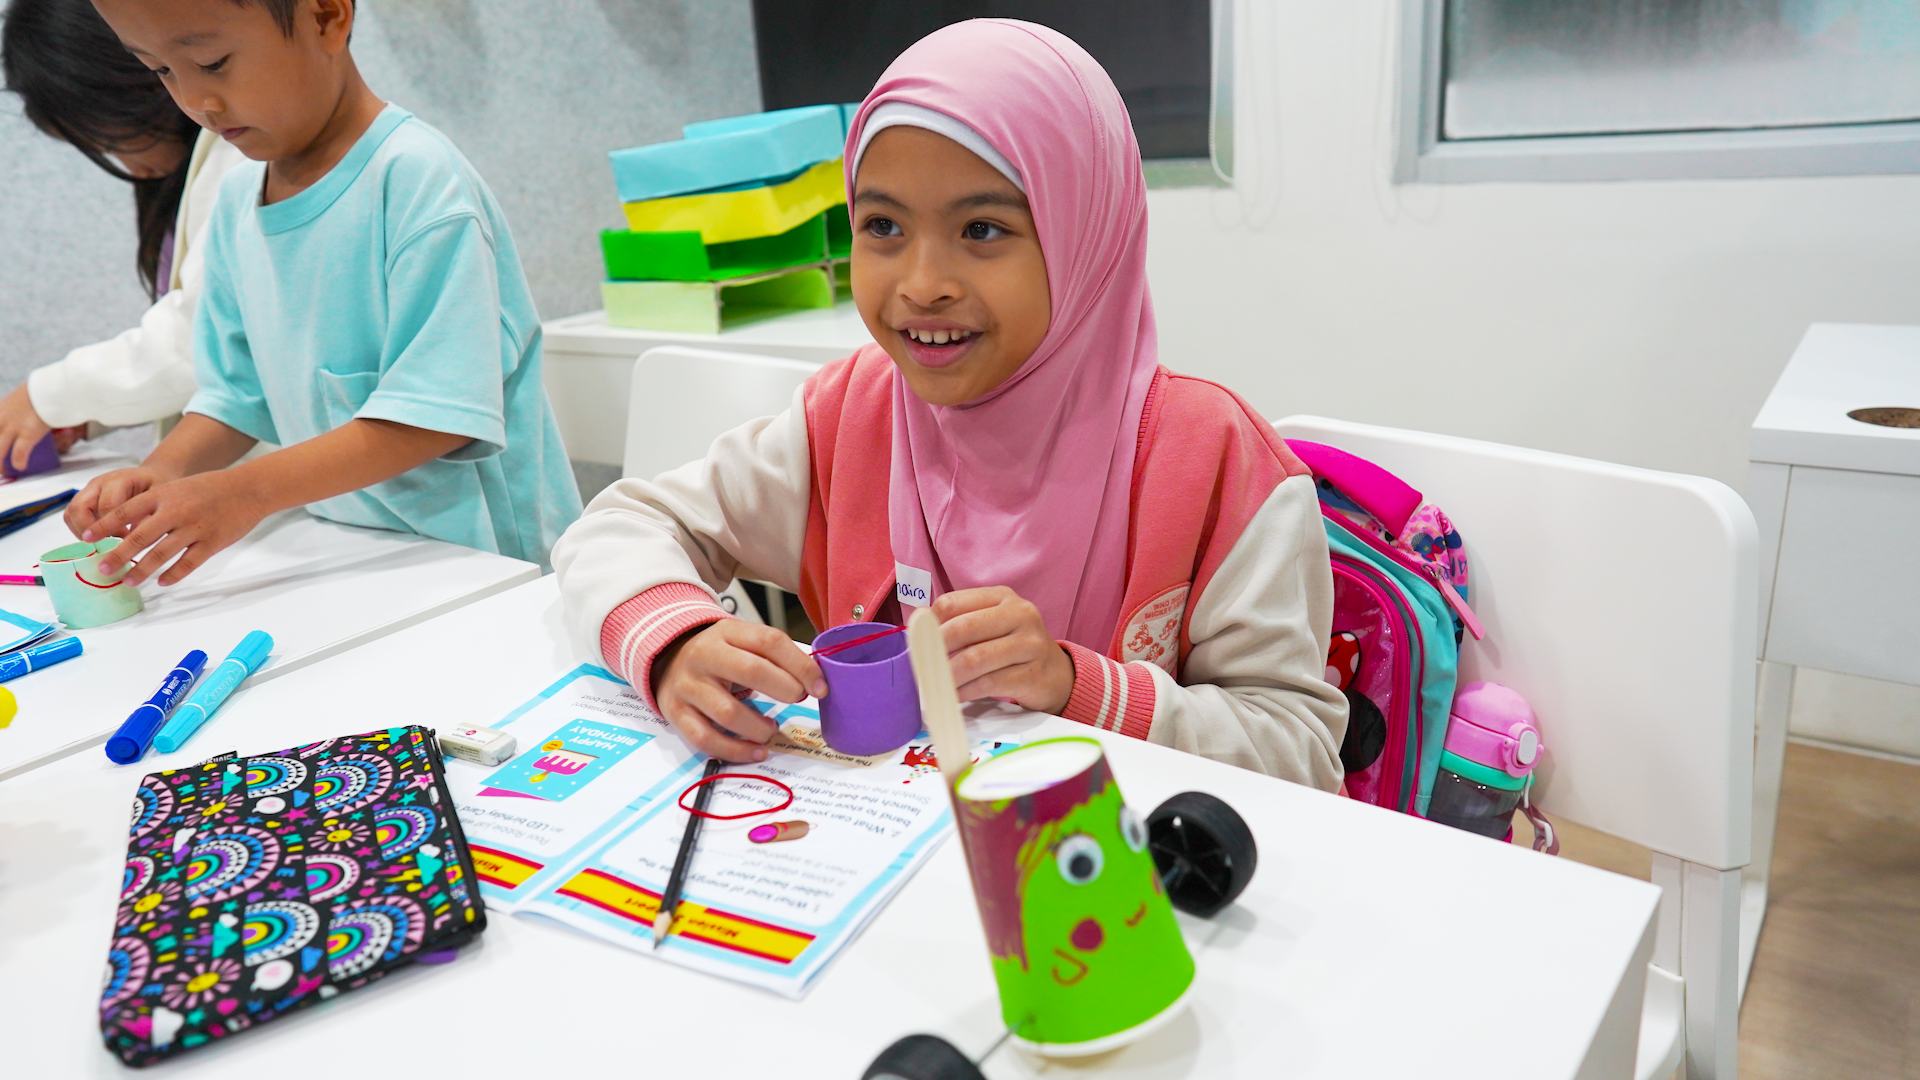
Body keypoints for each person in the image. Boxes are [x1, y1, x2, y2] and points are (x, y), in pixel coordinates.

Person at [553, 20, 1348, 786]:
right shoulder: (850, 420)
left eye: (982, 229)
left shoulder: (1213, 463)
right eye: (883, 225)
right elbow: (622, 525)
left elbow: (1300, 752)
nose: (922, 283)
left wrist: (1078, 686)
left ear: (1085, 236)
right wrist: (677, 641)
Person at [67, 0, 580, 581]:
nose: (195, 102)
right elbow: (236, 395)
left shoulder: (416, 179)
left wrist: (245, 491)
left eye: (211, 63)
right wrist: (164, 470)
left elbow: (437, 416)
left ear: (327, 17)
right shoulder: (237, 202)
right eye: (161, 70)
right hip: (355, 558)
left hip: (489, 567)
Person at [0, 0, 245, 472]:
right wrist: (86, 416)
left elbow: (204, 338)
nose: (125, 165)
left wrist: (51, 395)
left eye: (109, 141)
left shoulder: (242, 157)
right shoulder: (192, 175)